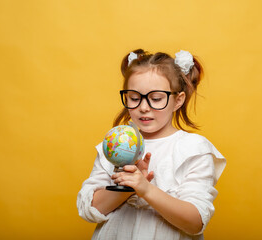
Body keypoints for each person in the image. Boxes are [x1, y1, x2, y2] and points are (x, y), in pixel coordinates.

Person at [77, 49, 226, 240]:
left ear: (177, 100)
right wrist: (128, 187)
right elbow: (89, 210)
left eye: (156, 99)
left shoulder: (193, 148)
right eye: (134, 98)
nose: (144, 107)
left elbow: (195, 222)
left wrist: (146, 189)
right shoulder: (115, 144)